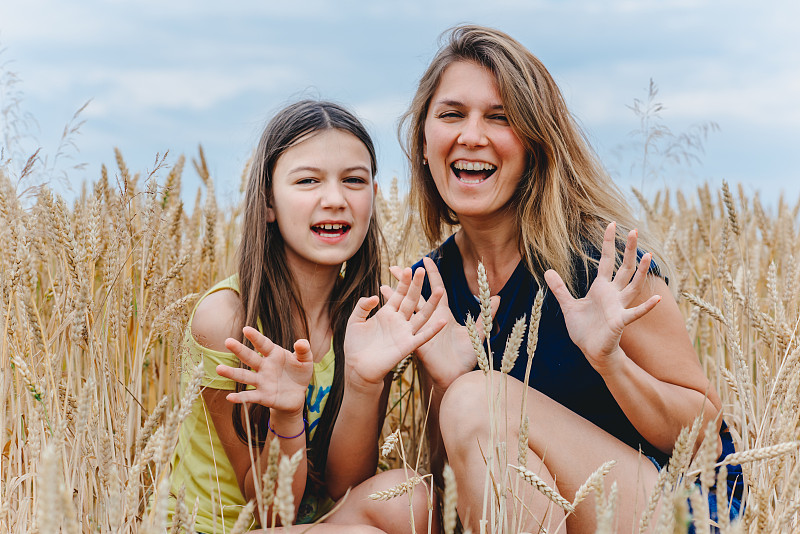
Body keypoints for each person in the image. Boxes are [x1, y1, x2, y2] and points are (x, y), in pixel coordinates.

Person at [397, 25, 743, 533]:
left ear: (536, 144)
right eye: (452, 115)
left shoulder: (601, 263)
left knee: (477, 400)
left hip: (669, 512)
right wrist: (447, 381)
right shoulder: (430, 288)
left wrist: (612, 363)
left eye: (501, 117)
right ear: (424, 142)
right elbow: (463, 484)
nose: (472, 136)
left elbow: (707, 435)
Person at [169, 100, 445, 533]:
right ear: (267, 202)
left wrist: (362, 382)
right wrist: (285, 415)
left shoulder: (366, 317)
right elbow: (269, 515)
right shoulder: (228, 318)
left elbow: (342, 487)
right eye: (308, 180)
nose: (335, 199)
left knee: (411, 497)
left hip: (311, 524)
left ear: (373, 196)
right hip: (221, 527)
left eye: (354, 181)